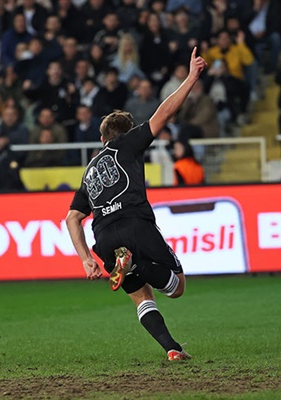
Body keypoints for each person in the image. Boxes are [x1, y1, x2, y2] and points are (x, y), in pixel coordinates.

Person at [66, 47, 206, 361]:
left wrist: (86, 259)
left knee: (141, 297)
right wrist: (192, 77)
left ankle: (172, 348)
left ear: (101, 139)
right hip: (136, 225)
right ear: (126, 134)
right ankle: (135, 264)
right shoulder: (128, 142)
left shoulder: (89, 171)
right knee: (177, 287)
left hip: (104, 238)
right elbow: (165, 114)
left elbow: (72, 218)